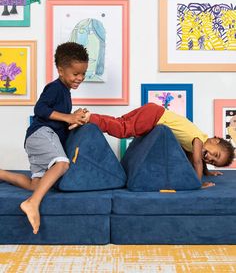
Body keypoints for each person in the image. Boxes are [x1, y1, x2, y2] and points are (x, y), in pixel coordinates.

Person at [0, 42, 89, 234]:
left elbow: (57, 119)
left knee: (37, 184)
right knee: (62, 164)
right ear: (60, 70)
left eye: (83, 74)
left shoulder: (65, 93)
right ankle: (32, 204)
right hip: (41, 134)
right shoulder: (55, 88)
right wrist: (68, 117)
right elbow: (40, 109)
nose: (80, 78)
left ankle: (2, 174)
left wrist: (73, 119)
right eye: (75, 74)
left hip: (37, 138)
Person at [69, 103, 235, 188]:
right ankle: (90, 118)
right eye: (216, 154)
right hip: (154, 116)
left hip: (153, 111)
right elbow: (198, 161)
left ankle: (90, 115)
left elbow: (199, 160)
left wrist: (209, 173)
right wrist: (198, 183)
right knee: (123, 129)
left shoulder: (197, 141)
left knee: (121, 122)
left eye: (213, 161)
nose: (210, 157)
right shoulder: (198, 139)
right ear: (215, 139)